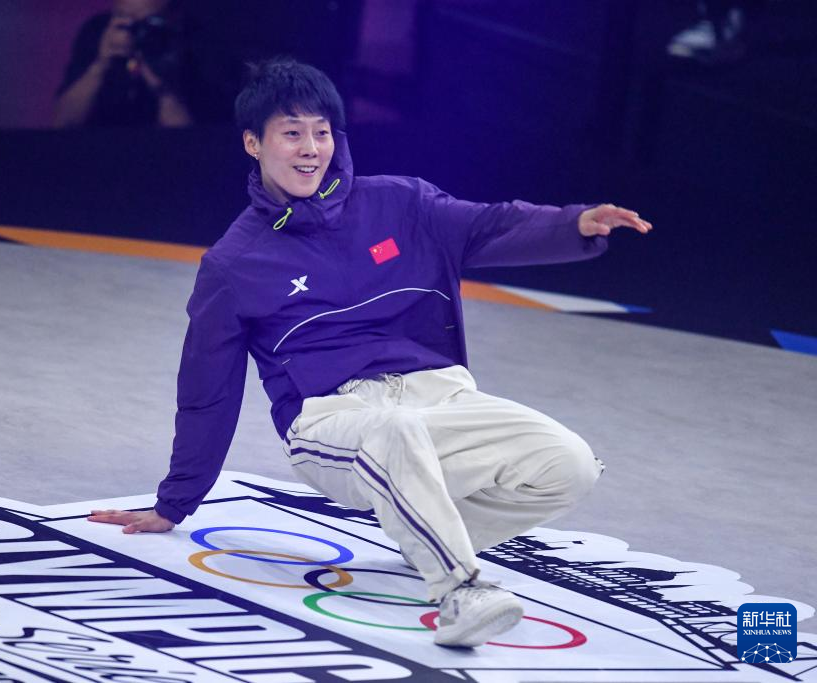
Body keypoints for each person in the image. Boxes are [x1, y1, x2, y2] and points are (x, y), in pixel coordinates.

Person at [88, 59, 652, 648]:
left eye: (321, 132)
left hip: (440, 395)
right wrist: (175, 502)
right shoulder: (234, 263)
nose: (311, 149)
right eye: (292, 133)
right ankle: (462, 591)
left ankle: (427, 533)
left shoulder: (402, 205)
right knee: (395, 432)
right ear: (253, 144)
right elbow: (208, 391)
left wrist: (575, 224)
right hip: (333, 419)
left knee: (568, 462)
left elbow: (490, 226)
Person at [53, 0, 192, 129]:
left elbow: (188, 139)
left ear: (175, 17)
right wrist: (100, 65)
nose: (136, 32)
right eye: (124, 17)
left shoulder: (192, 41)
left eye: (149, 22)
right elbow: (63, 124)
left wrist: (164, 90)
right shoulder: (100, 31)